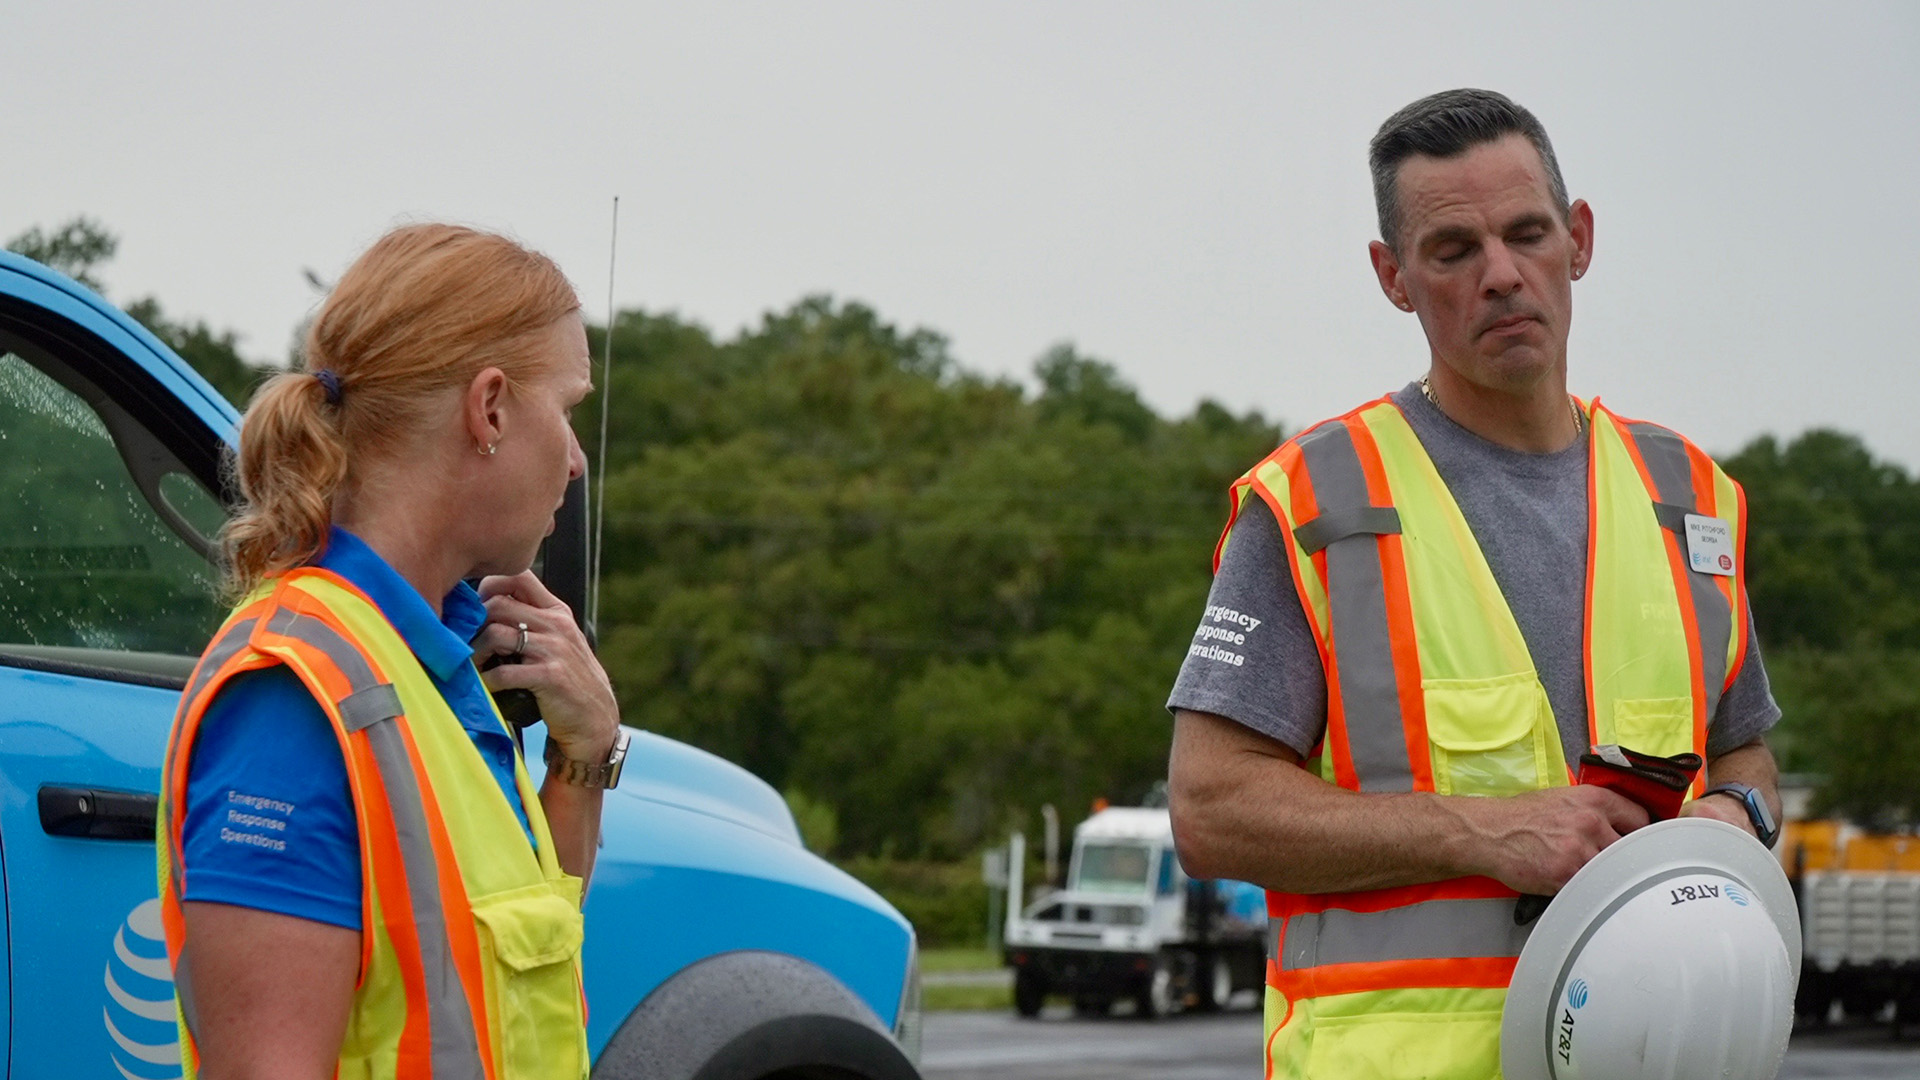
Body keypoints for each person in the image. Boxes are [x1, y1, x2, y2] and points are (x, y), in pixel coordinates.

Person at [1165, 89, 1783, 1079]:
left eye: (1527, 233)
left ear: (1578, 239)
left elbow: (1745, 752)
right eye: (1452, 251)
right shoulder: (1315, 503)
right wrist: (1480, 830)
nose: (1501, 275)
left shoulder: (1691, 497)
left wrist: (1737, 816)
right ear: (1393, 277)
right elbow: (1209, 811)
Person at [156, 224, 625, 1080]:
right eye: (566, 409)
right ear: (488, 409)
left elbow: (511, 962)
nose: (575, 458)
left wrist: (585, 757)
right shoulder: (295, 695)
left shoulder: (434, 660)